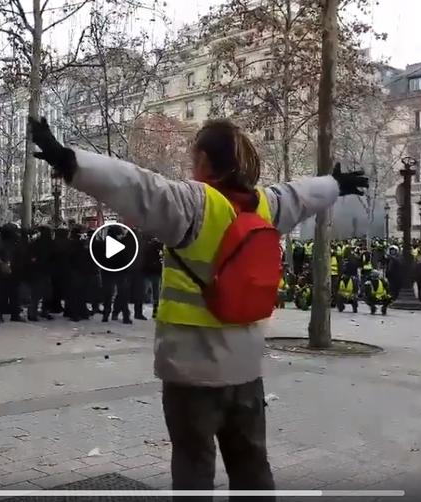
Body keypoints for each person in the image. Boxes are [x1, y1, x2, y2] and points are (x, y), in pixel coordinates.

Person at [29, 115, 368, 493]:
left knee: (193, 469)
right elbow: (299, 195)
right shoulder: (265, 207)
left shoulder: (194, 203)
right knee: (252, 466)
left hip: (191, 370)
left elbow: (134, 185)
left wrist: (67, 159)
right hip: (245, 370)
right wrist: (336, 184)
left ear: (204, 160)